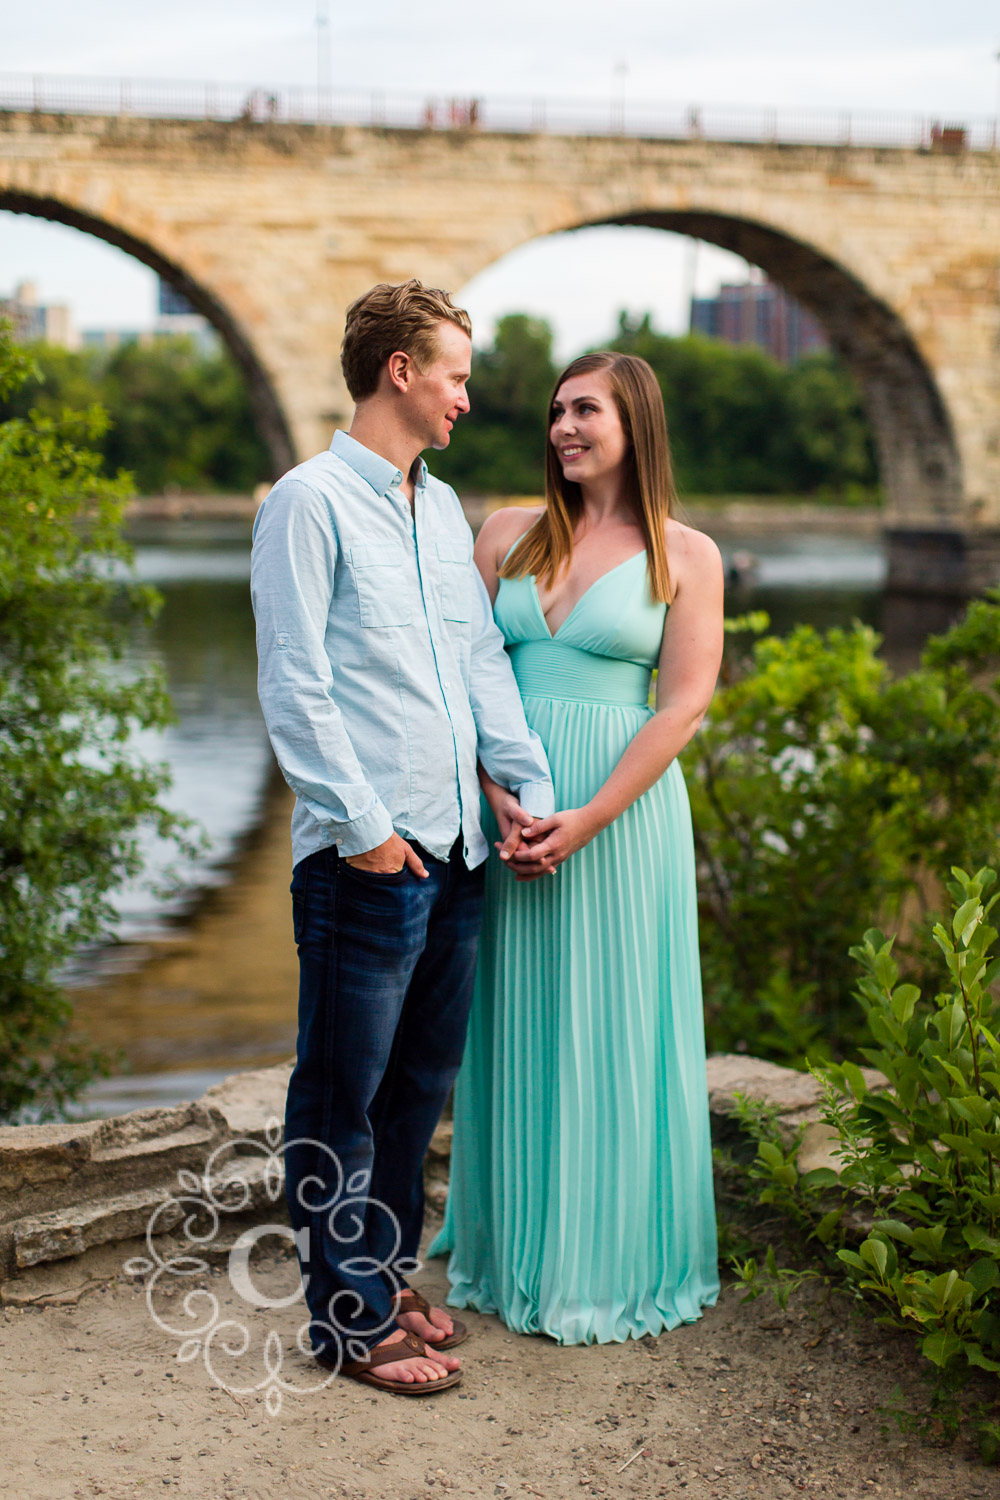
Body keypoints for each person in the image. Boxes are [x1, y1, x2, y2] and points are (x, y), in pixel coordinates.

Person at [250, 279, 555, 1393]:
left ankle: (378, 1274)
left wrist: (520, 789)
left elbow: (477, 667)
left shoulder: (440, 507)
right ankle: (345, 1319)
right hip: (365, 855)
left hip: (461, 846)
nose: (466, 398)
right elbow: (295, 684)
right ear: (400, 372)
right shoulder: (307, 501)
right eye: (457, 375)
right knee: (340, 1089)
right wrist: (368, 833)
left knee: (415, 1088)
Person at [429, 350, 724, 1344]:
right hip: (505, 808)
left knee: (610, 1018)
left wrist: (585, 819)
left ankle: (603, 1261)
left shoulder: (686, 554)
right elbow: (457, 675)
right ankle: (507, 1249)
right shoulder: (505, 533)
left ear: (635, 423)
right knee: (506, 1018)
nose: (564, 426)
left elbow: (682, 706)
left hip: (617, 816)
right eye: (556, 410)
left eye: (585, 409)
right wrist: (494, 796)